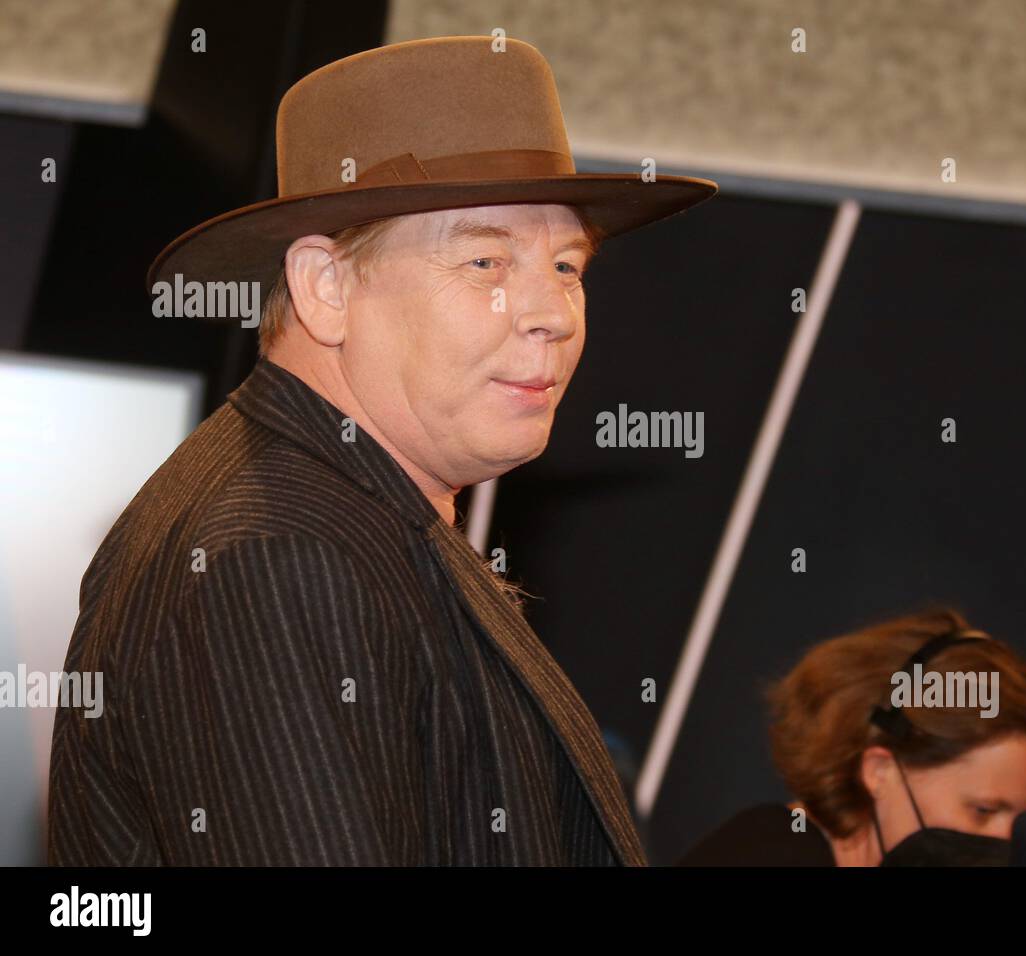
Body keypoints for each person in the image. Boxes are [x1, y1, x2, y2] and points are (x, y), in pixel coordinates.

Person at [46, 35, 717, 866]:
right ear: (326, 289)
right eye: (485, 260)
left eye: (569, 265)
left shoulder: (355, 515)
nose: (555, 313)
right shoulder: (280, 555)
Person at [677, 608, 1026, 866]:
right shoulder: (766, 856)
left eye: (1015, 818)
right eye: (982, 810)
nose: (1002, 843)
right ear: (879, 771)